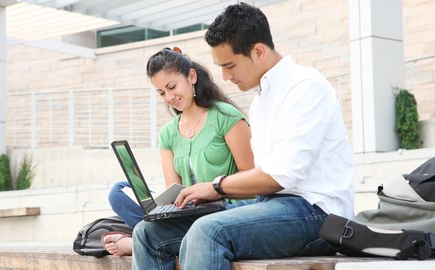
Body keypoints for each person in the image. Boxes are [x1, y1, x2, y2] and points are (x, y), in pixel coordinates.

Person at [131, 3, 355, 270]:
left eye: (230, 65)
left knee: (208, 231)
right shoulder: (261, 100)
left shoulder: (304, 86)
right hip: (271, 206)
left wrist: (215, 187)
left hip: (316, 214)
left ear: (258, 51)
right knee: (147, 234)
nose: (225, 76)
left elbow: (281, 175)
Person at [103, 47, 254, 256]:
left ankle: (139, 242)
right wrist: (170, 205)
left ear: (191, 77)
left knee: (155, 232)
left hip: (227, 208)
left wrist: (212, 190)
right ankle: (160, 236)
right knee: (118, 191)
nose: (169, 97)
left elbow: (252, 179)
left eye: (172, 86)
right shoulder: (168, 133)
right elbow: (173, 189)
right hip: (189, 211)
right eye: (161, 93)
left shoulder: (226, 117)